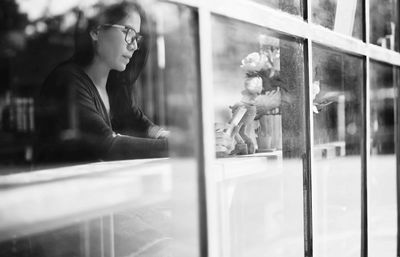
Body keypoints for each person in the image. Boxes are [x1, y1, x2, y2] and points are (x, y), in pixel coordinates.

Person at [35, 1, 169, 163]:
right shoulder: (67, 81)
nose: (134, 46)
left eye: (137, 38)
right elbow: (107, 146)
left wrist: (170, 136)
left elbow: (147, 129)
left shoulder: (115, 89)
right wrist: (177, 146)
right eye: (128, 32)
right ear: (96, 31)